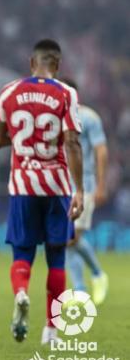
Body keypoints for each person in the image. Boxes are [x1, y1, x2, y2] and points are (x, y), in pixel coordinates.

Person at [0, 39, 84, 345]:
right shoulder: (65, 93)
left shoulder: (8, 91)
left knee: (22, 253)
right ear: (56, 65)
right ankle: (51, 331)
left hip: (22, 184)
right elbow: (72, 142)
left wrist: (22, 141)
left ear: (32, 63)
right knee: (57, 258)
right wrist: (80, 190)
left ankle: (20, 293)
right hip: (56, 186)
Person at [60, 78, 109, 305]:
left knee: (71, 237)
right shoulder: (55, 118)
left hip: (84, 183)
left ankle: (97, 275)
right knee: (65, 238)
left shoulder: (89, 118)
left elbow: (101, 151)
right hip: (60, 184)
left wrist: (101, 184)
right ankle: (80, 290)